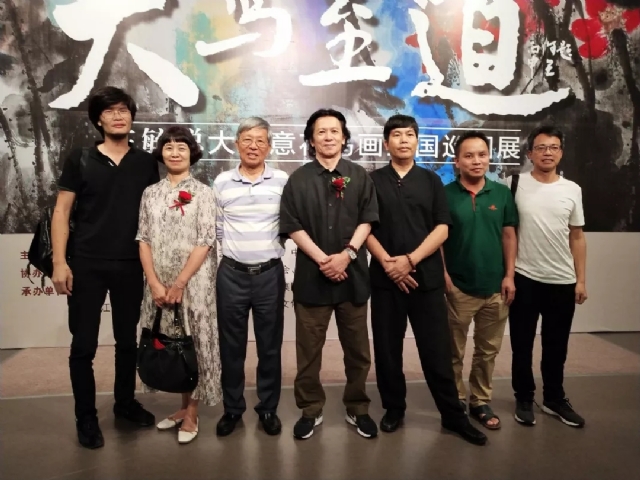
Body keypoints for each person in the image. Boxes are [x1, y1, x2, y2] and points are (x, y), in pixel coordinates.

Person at [366, 114, 487, 446]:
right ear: (386, 143)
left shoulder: (432, 180)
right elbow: (365, 228)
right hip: (385, 280)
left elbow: (442, 228)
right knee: (387, 351)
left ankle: (453, 415)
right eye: (397, 135)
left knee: (436, 351)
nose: (404, 140)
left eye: (409, 134)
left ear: (418, 141)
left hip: (427, 280)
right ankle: (394, 408)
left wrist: (410, 261)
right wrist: (389, 264)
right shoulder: (372, 181)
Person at [51, 87, 159, 449]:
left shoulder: (145, 163)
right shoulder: (80, 158)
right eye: (110, 111)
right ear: (98, 119)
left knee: (127, 341)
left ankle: (125, 403)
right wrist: (60, 263)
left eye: (124, 110)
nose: (118, 116)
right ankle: (85, 417)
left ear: (131, 117)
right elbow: (62, 211)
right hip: (87, 264)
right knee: (83, 345)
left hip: (130, 264)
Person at [279, 108, 379, 440]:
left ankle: (357, 407)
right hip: (313, 278)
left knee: (358, 351)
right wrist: (326, 260)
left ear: (344, 137)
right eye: (321, 131)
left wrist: (347, 255)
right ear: (311, 139)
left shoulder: (359, 176)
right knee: (308, 352)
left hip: (353, 279)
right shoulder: (298, 179)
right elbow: (292, 225)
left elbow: (368, 219)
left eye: (334, 131)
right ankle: (310, 409)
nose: (328, 137)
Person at [136, 126, 222, 444]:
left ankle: (192, 413)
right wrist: (154, 282)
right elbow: (143, 238)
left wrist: (181, 283)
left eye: (181, 147)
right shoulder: (150, 193)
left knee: (194, 344)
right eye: (169, 147)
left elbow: (205, 241)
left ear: (192, 154)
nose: (175, 152)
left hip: (195, 284)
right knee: (173, 344)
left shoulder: (204, 193)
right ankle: (183, 406)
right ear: (161, 153)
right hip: (158, 284)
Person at [506, 126, 587, 428]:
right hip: (524, 277)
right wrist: (507, 275)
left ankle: (554, 398)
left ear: (561, 153)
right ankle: (524, 398)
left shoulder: (572, 189)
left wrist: (581, 279)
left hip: (562, 280)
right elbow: (507, 233)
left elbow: (577, 236)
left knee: (556, 346)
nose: (547, 153)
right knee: (521, 344)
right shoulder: (513, 184)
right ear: (530, 153)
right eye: (541, 147)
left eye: (554, 147)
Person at [212, 117, 288, 437]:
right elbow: (217, 228)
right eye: (247, 140)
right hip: (231, 275)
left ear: (269, 146)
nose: (253, 146)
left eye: (260, 140)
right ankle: (232, 409)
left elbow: (289, 224)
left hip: (269, 275)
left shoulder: (282, 180)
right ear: (236, 144)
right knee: (231, 347)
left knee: (270, 347)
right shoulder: (222, 182)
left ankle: (268, 408)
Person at [441, 131, 518, 431]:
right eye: (469, 155)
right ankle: (456, 400)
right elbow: (439, 239)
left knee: (488, 351)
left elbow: (509, 235)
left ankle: (480, 400)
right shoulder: (444, 195)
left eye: (482, 154)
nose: (476, 161)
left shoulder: (501, 194)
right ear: (456, 161)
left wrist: (509, 276)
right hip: (458, 287)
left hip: (496, 287)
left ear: (489, 158)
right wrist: (444, 275)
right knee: (453, 350)